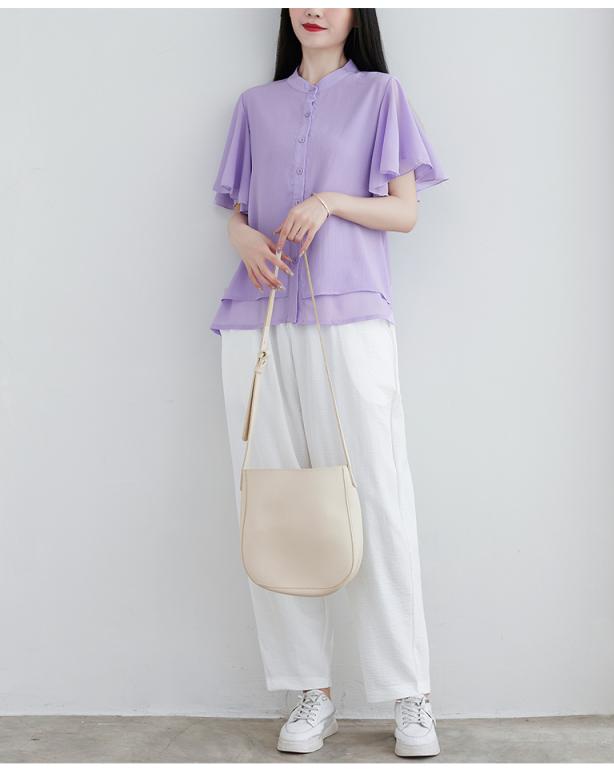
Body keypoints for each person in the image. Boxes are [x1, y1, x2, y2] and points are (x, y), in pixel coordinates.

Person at [209, 8, 448, 759]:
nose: (313, 7)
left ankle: (409, 693)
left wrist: (330, 201)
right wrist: (244, 239)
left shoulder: (380, 94)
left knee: (378, 495)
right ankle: (310, 690)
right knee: (274, 505)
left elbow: (404, 212)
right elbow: (236, 214)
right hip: (258, 321)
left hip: (352, 319)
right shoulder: (255, 105)